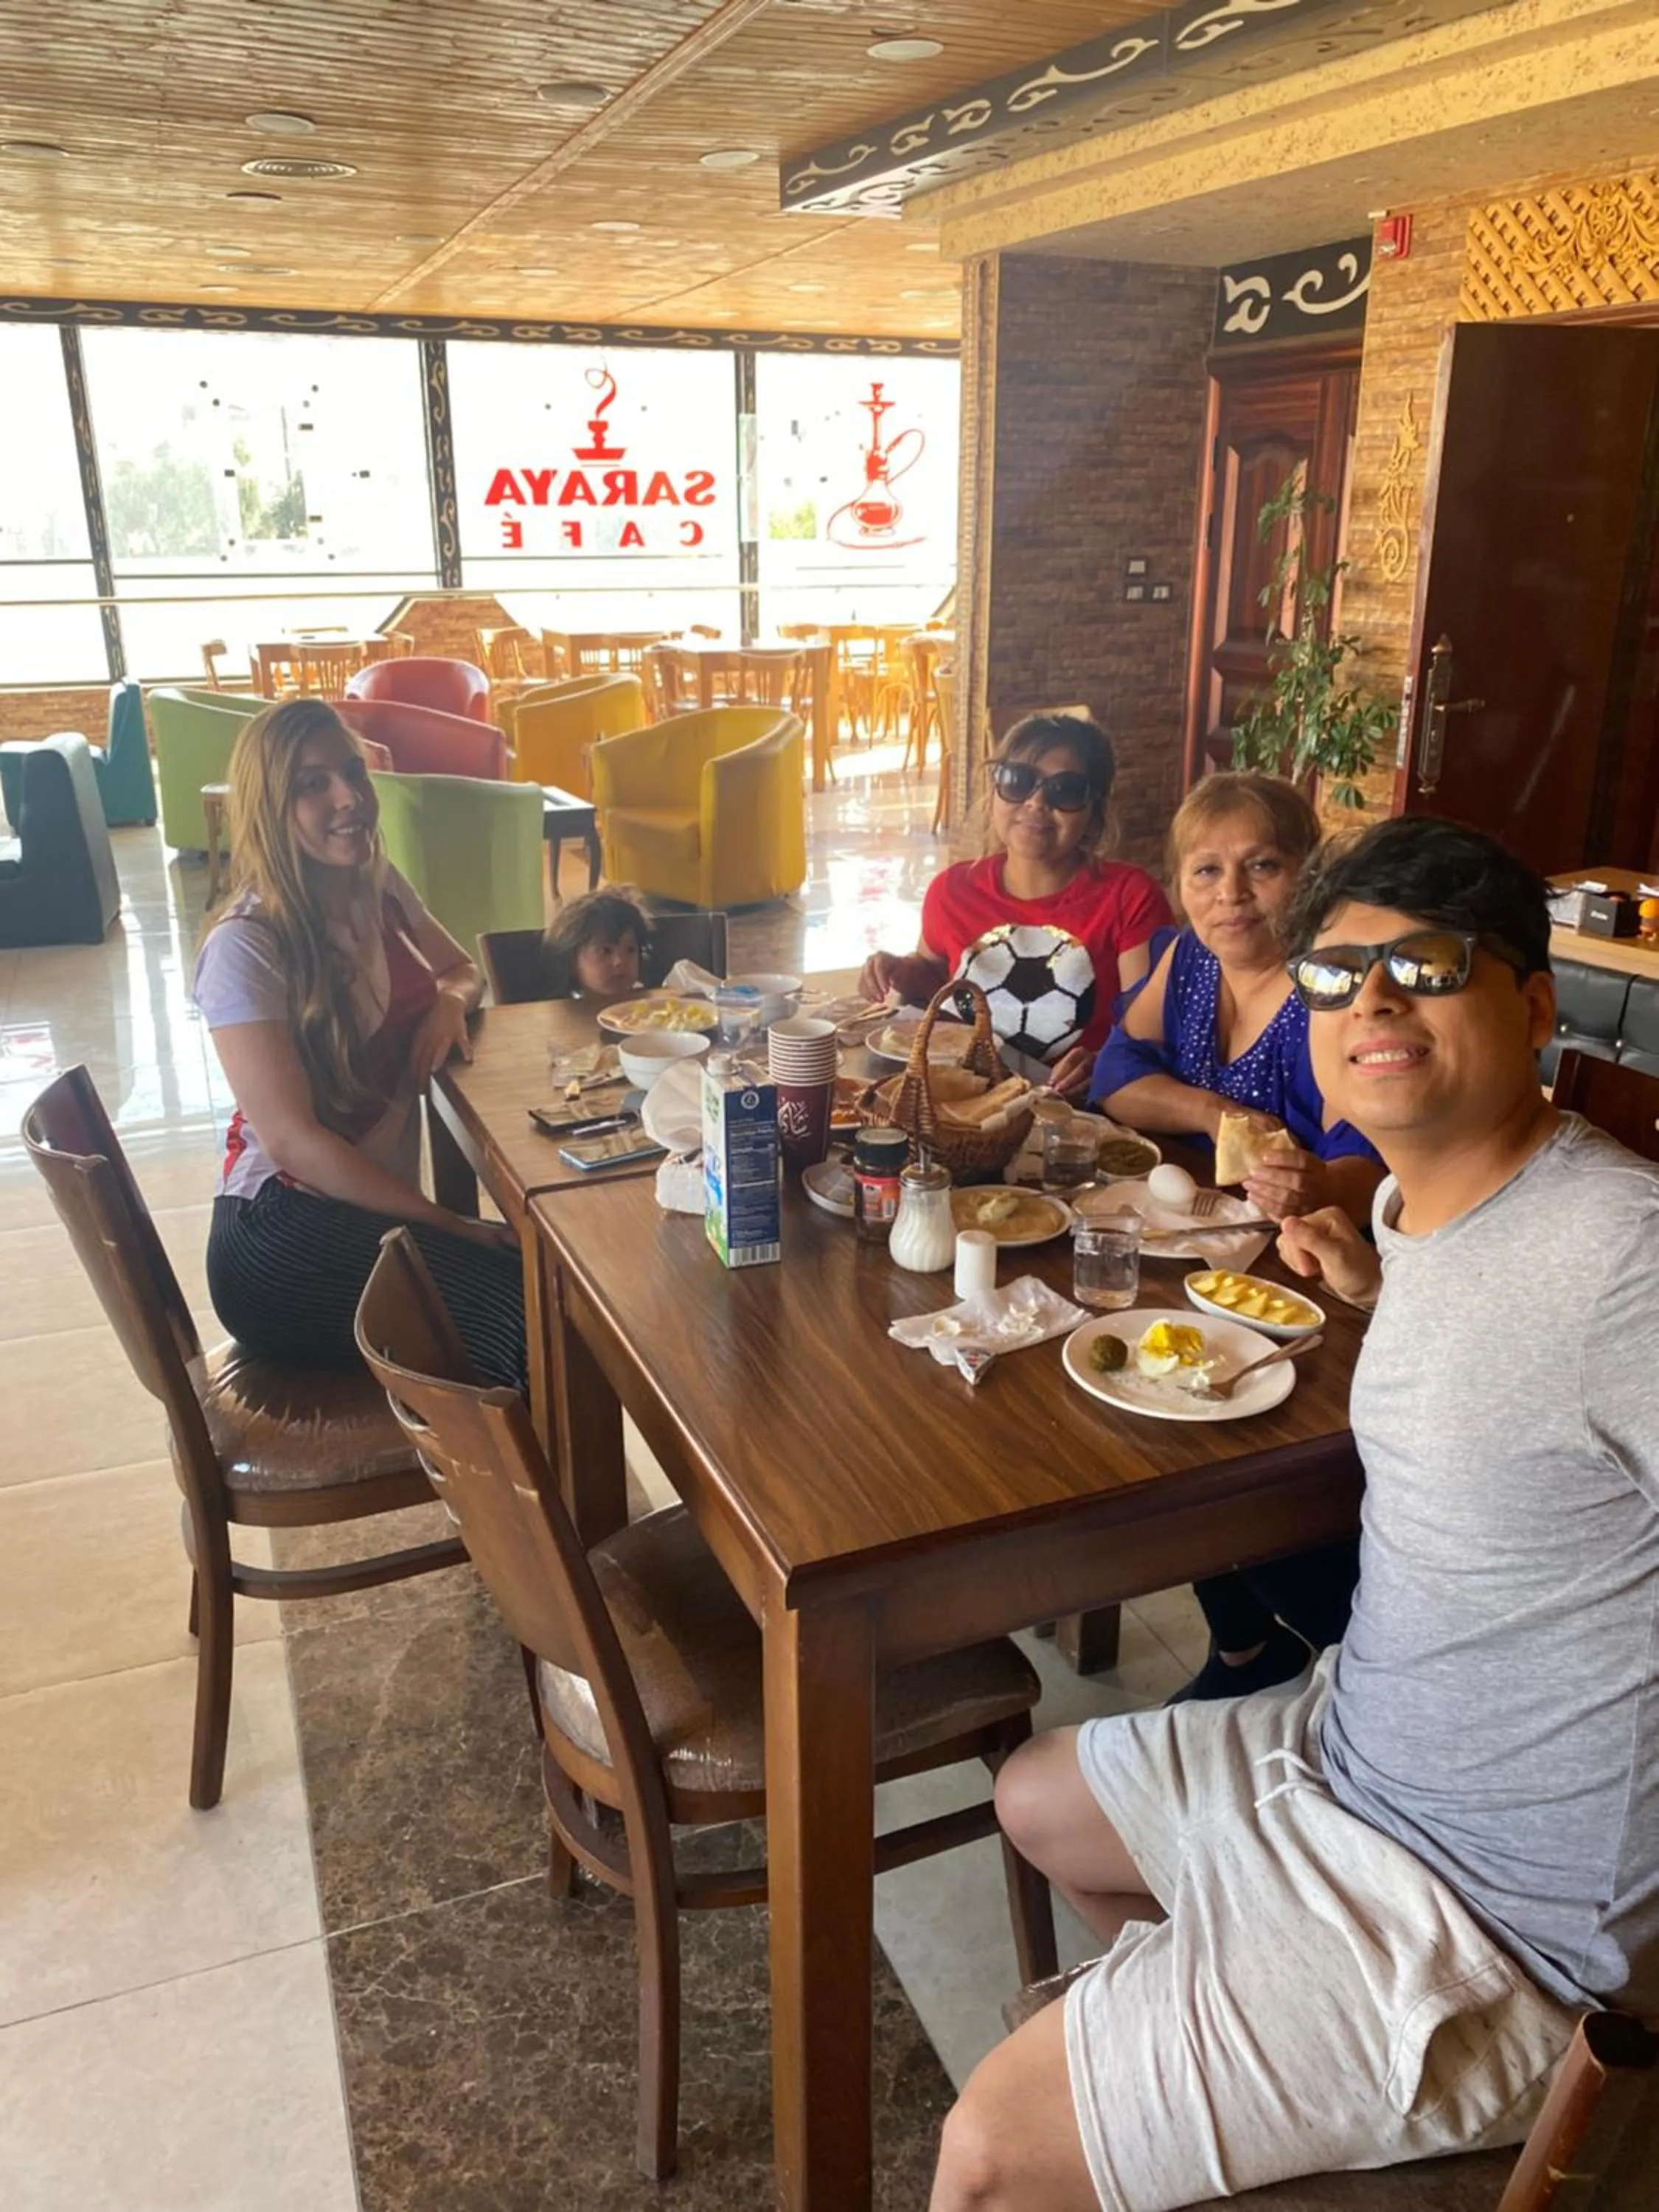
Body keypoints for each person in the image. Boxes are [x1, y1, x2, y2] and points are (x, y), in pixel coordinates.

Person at [931, 815, 1659, 2212]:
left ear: (1536, 1005)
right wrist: (1375, 1296)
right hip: (1344, 1754)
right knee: (1033, 1797)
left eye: (1424, 967)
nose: (1369, 1004)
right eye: (1335, 979)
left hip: (1492, 1918)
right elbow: (1517, 1400)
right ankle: (1222, 2092)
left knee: (985, 2158)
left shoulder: (1623, 1257)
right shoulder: (1413, 1206)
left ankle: (1296, 2099)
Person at [1092, 771, 1384, 1701]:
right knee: (1154, 1409)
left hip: (1321, 1282)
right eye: (1206, 869)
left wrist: (1317, 1172)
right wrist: (1224, 1112)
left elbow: (1371, 1159)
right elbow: (1114, 1068)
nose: (1232, 894)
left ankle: (1345, 1668)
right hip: (1210, 1260)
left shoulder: (1328, 991)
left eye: (1263, 866)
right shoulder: (1186, 962)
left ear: (1307, 877)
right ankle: (1246, 1649)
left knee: (1224, 1460)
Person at [195, 698, 526, 1391]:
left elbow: (463, 969)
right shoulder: (247, 946)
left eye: (353, 773)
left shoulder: (376, 886)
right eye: (312, 784)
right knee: (525, 1315)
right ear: (270, 806)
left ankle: (551, 1488)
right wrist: (448, 1223)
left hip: (361, 1210)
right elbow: (293, 1142)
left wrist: (445, 1002)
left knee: (545, 1285)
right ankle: (534, 1496)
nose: (348, 798)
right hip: (280, 1235)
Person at [858, 714, 1171, 1098]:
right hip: (967, 1098)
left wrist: (1105, 1061)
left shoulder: (1130, 896)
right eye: (1017, 781)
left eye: (1065, 791)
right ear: (994, 793)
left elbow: (1151, 1031)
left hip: (1074, 1111)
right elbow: (935, 974)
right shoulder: (952, 889)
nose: (1036, 802)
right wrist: (898, 971)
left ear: (1095, 813)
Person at [541, 886, 650, 998]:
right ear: (572, 960)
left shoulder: (648, 1006)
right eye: (605, 951)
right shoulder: (559, 1011)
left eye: (630, 950)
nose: (619, 961)